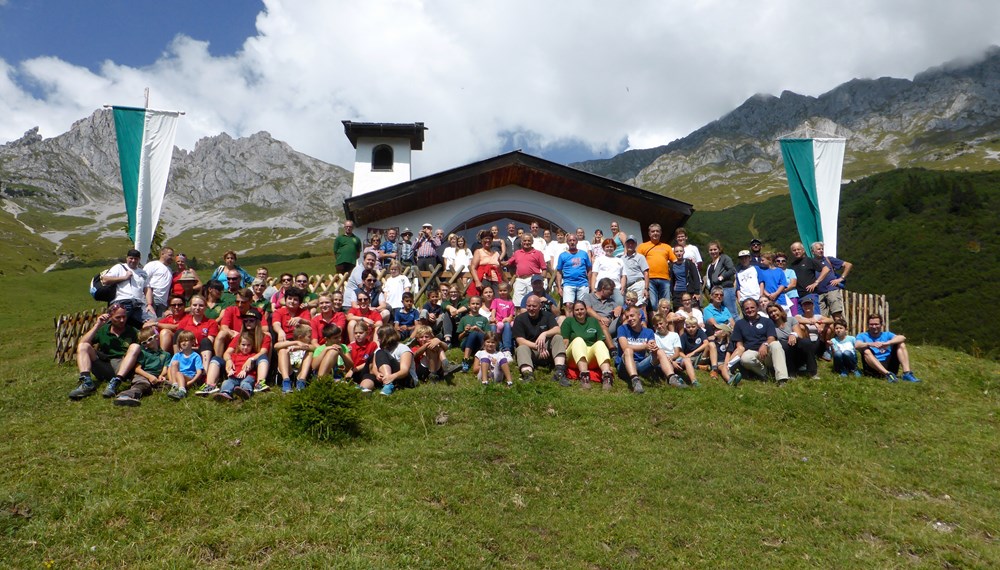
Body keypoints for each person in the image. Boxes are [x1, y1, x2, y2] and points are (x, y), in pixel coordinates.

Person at [68, 303, 141, 400]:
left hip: (123, 366)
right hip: (106, 365)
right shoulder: (103, 330)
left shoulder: (132, 331)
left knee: (135, 346)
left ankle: (117, 382)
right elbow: (81, 343)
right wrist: (97, 325)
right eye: (118, 317)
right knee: (83, 346)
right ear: (110, 317)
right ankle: (87, 382)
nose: (122, 320)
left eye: (124, 317)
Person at [201, 309, 271, 395]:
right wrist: (228, 360)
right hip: (235, 365)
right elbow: (227, 352)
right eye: (245, 321)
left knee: (263, 357)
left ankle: (260, 383)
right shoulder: (239, 336)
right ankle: (210, 385)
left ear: (258, 322)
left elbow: (263, 352)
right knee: (216, 359)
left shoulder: (265, 337)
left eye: (251, 320)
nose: (248, 322)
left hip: (253, 366)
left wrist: (251, 359)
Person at [512, 294, 567, 384]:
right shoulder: (520, 319)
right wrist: (539, 347)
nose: (531, 308)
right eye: (529, 306)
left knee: (557, 337)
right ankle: (528, 375)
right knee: (521, 348)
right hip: (531, 351)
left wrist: (544, 334)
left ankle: (559, 371)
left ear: (540, 306)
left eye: (534, 306)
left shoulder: (547, 315)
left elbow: (557, 330)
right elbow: (520, 340)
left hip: (547, 351)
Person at [731, 298, 788, 383]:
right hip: (751, 353)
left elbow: (771, 337)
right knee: (745, 358)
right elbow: (739, 344)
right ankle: (766, 374)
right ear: (743, 310)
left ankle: (782, 378)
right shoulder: (739, 324)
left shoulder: (767, 321)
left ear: (757, 308)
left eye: (752, 307)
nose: (750, 310)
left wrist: (765, 344)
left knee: (776, 344)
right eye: (747, 308)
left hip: (767, 352)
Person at [561, 300, 615, 389]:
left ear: (586, 310)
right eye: (577, 310)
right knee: (578, 340)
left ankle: (606, 375)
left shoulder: (593, 321)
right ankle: (584, 376)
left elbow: (600, 340)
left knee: (600, 343)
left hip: (589, 354)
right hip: (574, 355)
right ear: (573, 312)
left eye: (582, 309)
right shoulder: (569, 321)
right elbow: (565, 341)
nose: (579, 312)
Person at [855, 313, 920, 383]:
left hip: (889, 364)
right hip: (873, 367)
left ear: (881, 325)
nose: (874, 326)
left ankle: (907, 373)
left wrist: (886, 343)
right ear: (868, 325)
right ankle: (888, 374)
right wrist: (870, 344)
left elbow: (902, 337)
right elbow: (857, 345)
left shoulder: (887, 334)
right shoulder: (862, 336)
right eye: (871, 324)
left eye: (876, 324)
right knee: (866, 350)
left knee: (901, 344)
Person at [114, 327, 170, 407]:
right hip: (143, 375)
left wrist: (161, 376)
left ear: (156, 337)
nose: (148, 343)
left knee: (168, 384)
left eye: (150, 339)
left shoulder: (165, 354)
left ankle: (150, 389)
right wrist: (150, 376)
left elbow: (165, 369)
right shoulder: (144, 353)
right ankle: (125, 396)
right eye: (144, 342)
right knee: (142, 385)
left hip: (156, 378)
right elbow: (137, 369)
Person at [615, 305, 663, 394]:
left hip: (640, 364)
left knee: (660, 351)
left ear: (639, 315)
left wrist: (654, 348)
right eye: (627, 317)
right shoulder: (622, 329)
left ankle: (672, 377)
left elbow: (652, 345)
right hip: (624, 366)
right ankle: (635, 380)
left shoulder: (649, 331)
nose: (629, 319)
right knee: (628, 350)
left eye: (632, 315)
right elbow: (625, 347)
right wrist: (644, 346)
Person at [103, 248, 154, 329]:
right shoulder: (119, 267)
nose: (133, 260)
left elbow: (147, 289)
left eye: (136, 259)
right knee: (116, 323)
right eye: (131, 258)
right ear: (127, 258)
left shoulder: (143, 273)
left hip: (139, 304)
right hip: (122, 301)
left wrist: (149, 304)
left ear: (139, 260)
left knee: (152, 321)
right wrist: (124, 277)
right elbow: (105, 280)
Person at [637, 223, 677, 312]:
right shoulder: (642, 246)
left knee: (666, 304)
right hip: (650, 279)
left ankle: (665, 324)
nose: (655, 233)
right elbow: (637, 262)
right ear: (649, 233)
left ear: (660, 233)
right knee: (653, 304)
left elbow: (675, 261)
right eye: (653, 231)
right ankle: (655, 324)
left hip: (665, 279)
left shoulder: (667, 247)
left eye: (657, 231)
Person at [766, 303, 813, 379]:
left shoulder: (791, 319)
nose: (773, 314)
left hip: (797, 346)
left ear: (780, 311)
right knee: (784, 345)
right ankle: (791, 372)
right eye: (770, 312)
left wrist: (793, 334)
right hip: (785, 350)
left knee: (806, 342)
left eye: (775, 311)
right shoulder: (770, 325)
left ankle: (812, 371)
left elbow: (800, 334)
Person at [211, 332, 261, 402]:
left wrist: (245, 370)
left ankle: (246, 392)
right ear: (239, 345)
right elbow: (229, 365)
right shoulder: (234, 356)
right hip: (234, 376)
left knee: (245, 383)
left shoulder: (252, 355)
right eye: (243, 345)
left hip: (247, 376)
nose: (245, 347)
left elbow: (252, 365)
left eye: (248, 345)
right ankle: (225, 393)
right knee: (226, 382)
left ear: (252, 346)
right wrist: (229, 370)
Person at [367, 326, 417, 396]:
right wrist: (377, 374)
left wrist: (391, 377)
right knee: (379, 352)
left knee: (381, 352)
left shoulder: (403, 348)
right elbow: (374, 368)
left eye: (380, 337)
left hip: (407, 379)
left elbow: (404, 371)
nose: (378, 339)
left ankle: (388, 384)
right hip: (391, 377)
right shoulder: (379, 349)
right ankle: (386, 385)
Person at [652, 314, 696, 387]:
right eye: (656, 325)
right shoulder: (654, 336)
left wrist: (672, 360)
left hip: (675, 358)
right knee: (667, 365)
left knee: (687, 359)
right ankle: (676, 379)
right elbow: (658, 353)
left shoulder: (674, 335)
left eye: (661, 323)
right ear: (654, 327)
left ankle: (694, 381)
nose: (659, 326)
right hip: (663, 360)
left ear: (666, 323)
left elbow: (677, 353)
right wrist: (671, 362)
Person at [811, 241, 852, 320]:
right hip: (818, 292)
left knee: (836, 313)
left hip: (831, 289)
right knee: (821, 318)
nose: (821, 250)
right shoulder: (811, 263)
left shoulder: (828, 259)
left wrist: (841, 278)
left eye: (822, 249)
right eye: (818, 249)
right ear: (813, 251)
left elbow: (848, 265)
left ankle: (840, 330)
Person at [175, 295, 218, 367]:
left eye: (201, 305)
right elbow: (179, 341)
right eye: (194, 305)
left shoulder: (211, 323)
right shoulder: (184, 321)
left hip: (203, 352)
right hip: (186, 351)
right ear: (190, 307)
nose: (197, 308)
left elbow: (209, 342)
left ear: (205, 307)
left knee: (206, 341)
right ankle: (177, 364)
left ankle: (205, 372)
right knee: (178, 333)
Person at [791, 297, 831, 375]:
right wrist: (814, 323)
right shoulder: (799, 316)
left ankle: (826, 350)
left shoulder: (818, 316)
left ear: (813, 306)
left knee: (830, 327)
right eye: (805, 305)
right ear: (802, 307)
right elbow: (797, 320)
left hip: (819, 341)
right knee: (801, 326)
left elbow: (831, 320)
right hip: (807, 341)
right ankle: (806, 355)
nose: (807, 306)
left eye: (809, 304)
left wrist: (820, 323)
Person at [555, 233, 592, 315]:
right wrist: (559, 287)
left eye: (574, 240)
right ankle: (570, 325)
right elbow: (559, 272)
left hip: (582, 283)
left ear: (577, 241)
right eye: (570, 240)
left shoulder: (583, 254)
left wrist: (589, 284)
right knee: (568, 305)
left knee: (582, 306)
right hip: (568, 283)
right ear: (567, 242)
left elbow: (589, 269)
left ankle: (581, 325)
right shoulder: (562, 255)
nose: (572, 242)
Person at [506, 234, 547, 306]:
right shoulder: (517, 253)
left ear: (532, 242)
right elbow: (508, 263)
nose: (526, 242)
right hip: (520, 280)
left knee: (532, 302)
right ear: (521, 242)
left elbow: (544, 268)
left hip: (532, 279)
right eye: (524, 240)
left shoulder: (538, 253)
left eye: (529, 241)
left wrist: (541, 280)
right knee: (517, 304)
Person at [788, 242, 828, 313]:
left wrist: (816, 282)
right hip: (797, 297)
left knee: (814, 318)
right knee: (802, 321)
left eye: (798, 249)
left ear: (803, 250)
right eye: (794, 250)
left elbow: (826, 269)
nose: (797, 251)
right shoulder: (792, 265)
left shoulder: (809, 260)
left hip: (809, 294)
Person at [166, 330, 205, 400]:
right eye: (181, 341)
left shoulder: (196, 356)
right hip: (177, 377)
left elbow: (199, 372)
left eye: (186, 340)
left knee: (178, 373)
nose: (183, 343)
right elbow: (169, 368)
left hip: (189, 377)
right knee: (174, 363)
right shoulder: (177, 355)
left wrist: (191, 382)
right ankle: (174, 387)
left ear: (193, 342)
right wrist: (171, 380)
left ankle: (182, 391)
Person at [275, 324, 314, 393]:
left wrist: (299, 348)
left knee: (310, 353)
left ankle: (301, 382)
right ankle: (286, 381)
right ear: (300, 337)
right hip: (288, 373)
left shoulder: (308, 346)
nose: (311, 338)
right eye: (309, 337)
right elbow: (276, 346)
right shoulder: (288, 343)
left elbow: (315, 348)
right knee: (282, 350)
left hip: (299, 374)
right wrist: (296, 343)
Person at [215, 288, 254, 357]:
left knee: (267, 335)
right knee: (221, 334)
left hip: (251, 341)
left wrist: (241, 336)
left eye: (243, 302)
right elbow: (224, 327)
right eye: (237, 301)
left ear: (250, 301)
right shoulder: (230, 310)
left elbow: (264, 329)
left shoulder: (256, 312)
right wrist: (234, 335)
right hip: (233, 339)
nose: (239, 304)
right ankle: (218, 361)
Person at [583, 277, 623, 344]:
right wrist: (600, 318)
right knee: (602, 323)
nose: (612, 293)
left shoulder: (611, 301)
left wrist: (620, 308)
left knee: (625, 317)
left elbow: (620, 311)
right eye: (611, 290)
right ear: (603, 288)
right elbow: (588, 309)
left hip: (610, 325)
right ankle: (612, 349)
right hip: (595, 324)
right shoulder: (588, 297)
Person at [703, 241, 737, 317]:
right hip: (715, 291)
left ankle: (737, 328)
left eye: (715, 249)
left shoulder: (724, 258)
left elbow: (732, 270)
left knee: (732, 313)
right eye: (711, 250)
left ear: (719, 249)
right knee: (720, 314)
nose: (713, 251)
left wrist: (722, 277)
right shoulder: (710, 264)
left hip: (726, 289)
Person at [457, 296, 490, 371]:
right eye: (473, 303)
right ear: (469, 305)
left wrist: (479, 330)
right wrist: (465, 331)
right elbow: (459, 338)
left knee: (476, 333)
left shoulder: (484, 319)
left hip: (480, 344)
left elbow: (488, 337)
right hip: (466, 344)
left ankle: (486, 358)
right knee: (473, 334)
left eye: (477, 304)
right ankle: (466, 360)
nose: (475, 306)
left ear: (481, 305)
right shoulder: (464, 319)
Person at [591, 239, 625, 306]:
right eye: (607, 247)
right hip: (601, 288)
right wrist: (592, 288)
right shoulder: (599, 259)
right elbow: (594, 275)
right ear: (603, 248)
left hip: (616, 287)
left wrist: (623, 287)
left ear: (614, 248)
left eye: (611, 247)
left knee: (619, 303)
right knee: (602, 307)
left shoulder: (620, 260)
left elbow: (623, 276)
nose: (609, 248)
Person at [470, 230, 504, 297]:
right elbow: (473, 268)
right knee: (484, 299)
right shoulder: (478, 251)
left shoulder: (496, 253)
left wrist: (504, 282)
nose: (488, 240)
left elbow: (500, 270)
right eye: (486, 238)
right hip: (484, 279)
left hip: (496, 281)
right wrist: (477, 281)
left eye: (490, 239)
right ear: (482, 240)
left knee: (497, 299)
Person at [143, 246, 174, 317]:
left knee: (160, 322)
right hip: (153, 298)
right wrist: (148, 301)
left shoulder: (170, 270)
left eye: (172, 256)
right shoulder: (153, 265)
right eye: (170, 255)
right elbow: (144, 281)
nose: (172, 257)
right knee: (151, 320)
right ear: (162, 254)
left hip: (163, 302)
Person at [669, 244, 702, 309]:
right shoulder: (672, 265)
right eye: (677, 251)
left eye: (681, 251)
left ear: (684, 252)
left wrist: (697, 292)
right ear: (674, 253)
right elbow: (672, 281)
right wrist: (672, 293)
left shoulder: (689, 263)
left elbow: (696, 277)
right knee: (679, 314)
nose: (679, 253)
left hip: (690, 291)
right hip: (677, 292)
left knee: (695, 311)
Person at [621, 235, 650, 307]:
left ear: (635, 245)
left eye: (632, 243)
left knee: (641, 307)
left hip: (638, 284)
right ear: (625, 244)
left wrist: (646, 289)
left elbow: (646, 273)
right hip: (627, 288)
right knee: (631, 310)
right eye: (628, 243)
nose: (630, 245)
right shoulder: (621, 258)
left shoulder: (640, 257)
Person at [490, 282, 517, 351]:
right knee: (499, 326)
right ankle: (499, 346)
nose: (502, 292)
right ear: (498, 291)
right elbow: (493, 310)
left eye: (504, 290)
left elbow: (511, 314)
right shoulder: (496, 300)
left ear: (508, 291)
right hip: (498, 321)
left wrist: (509, 318)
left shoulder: (510, 303)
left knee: (508, 325)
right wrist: (493, 317)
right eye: (500, 290)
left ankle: (507, 348)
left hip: (506, 321)